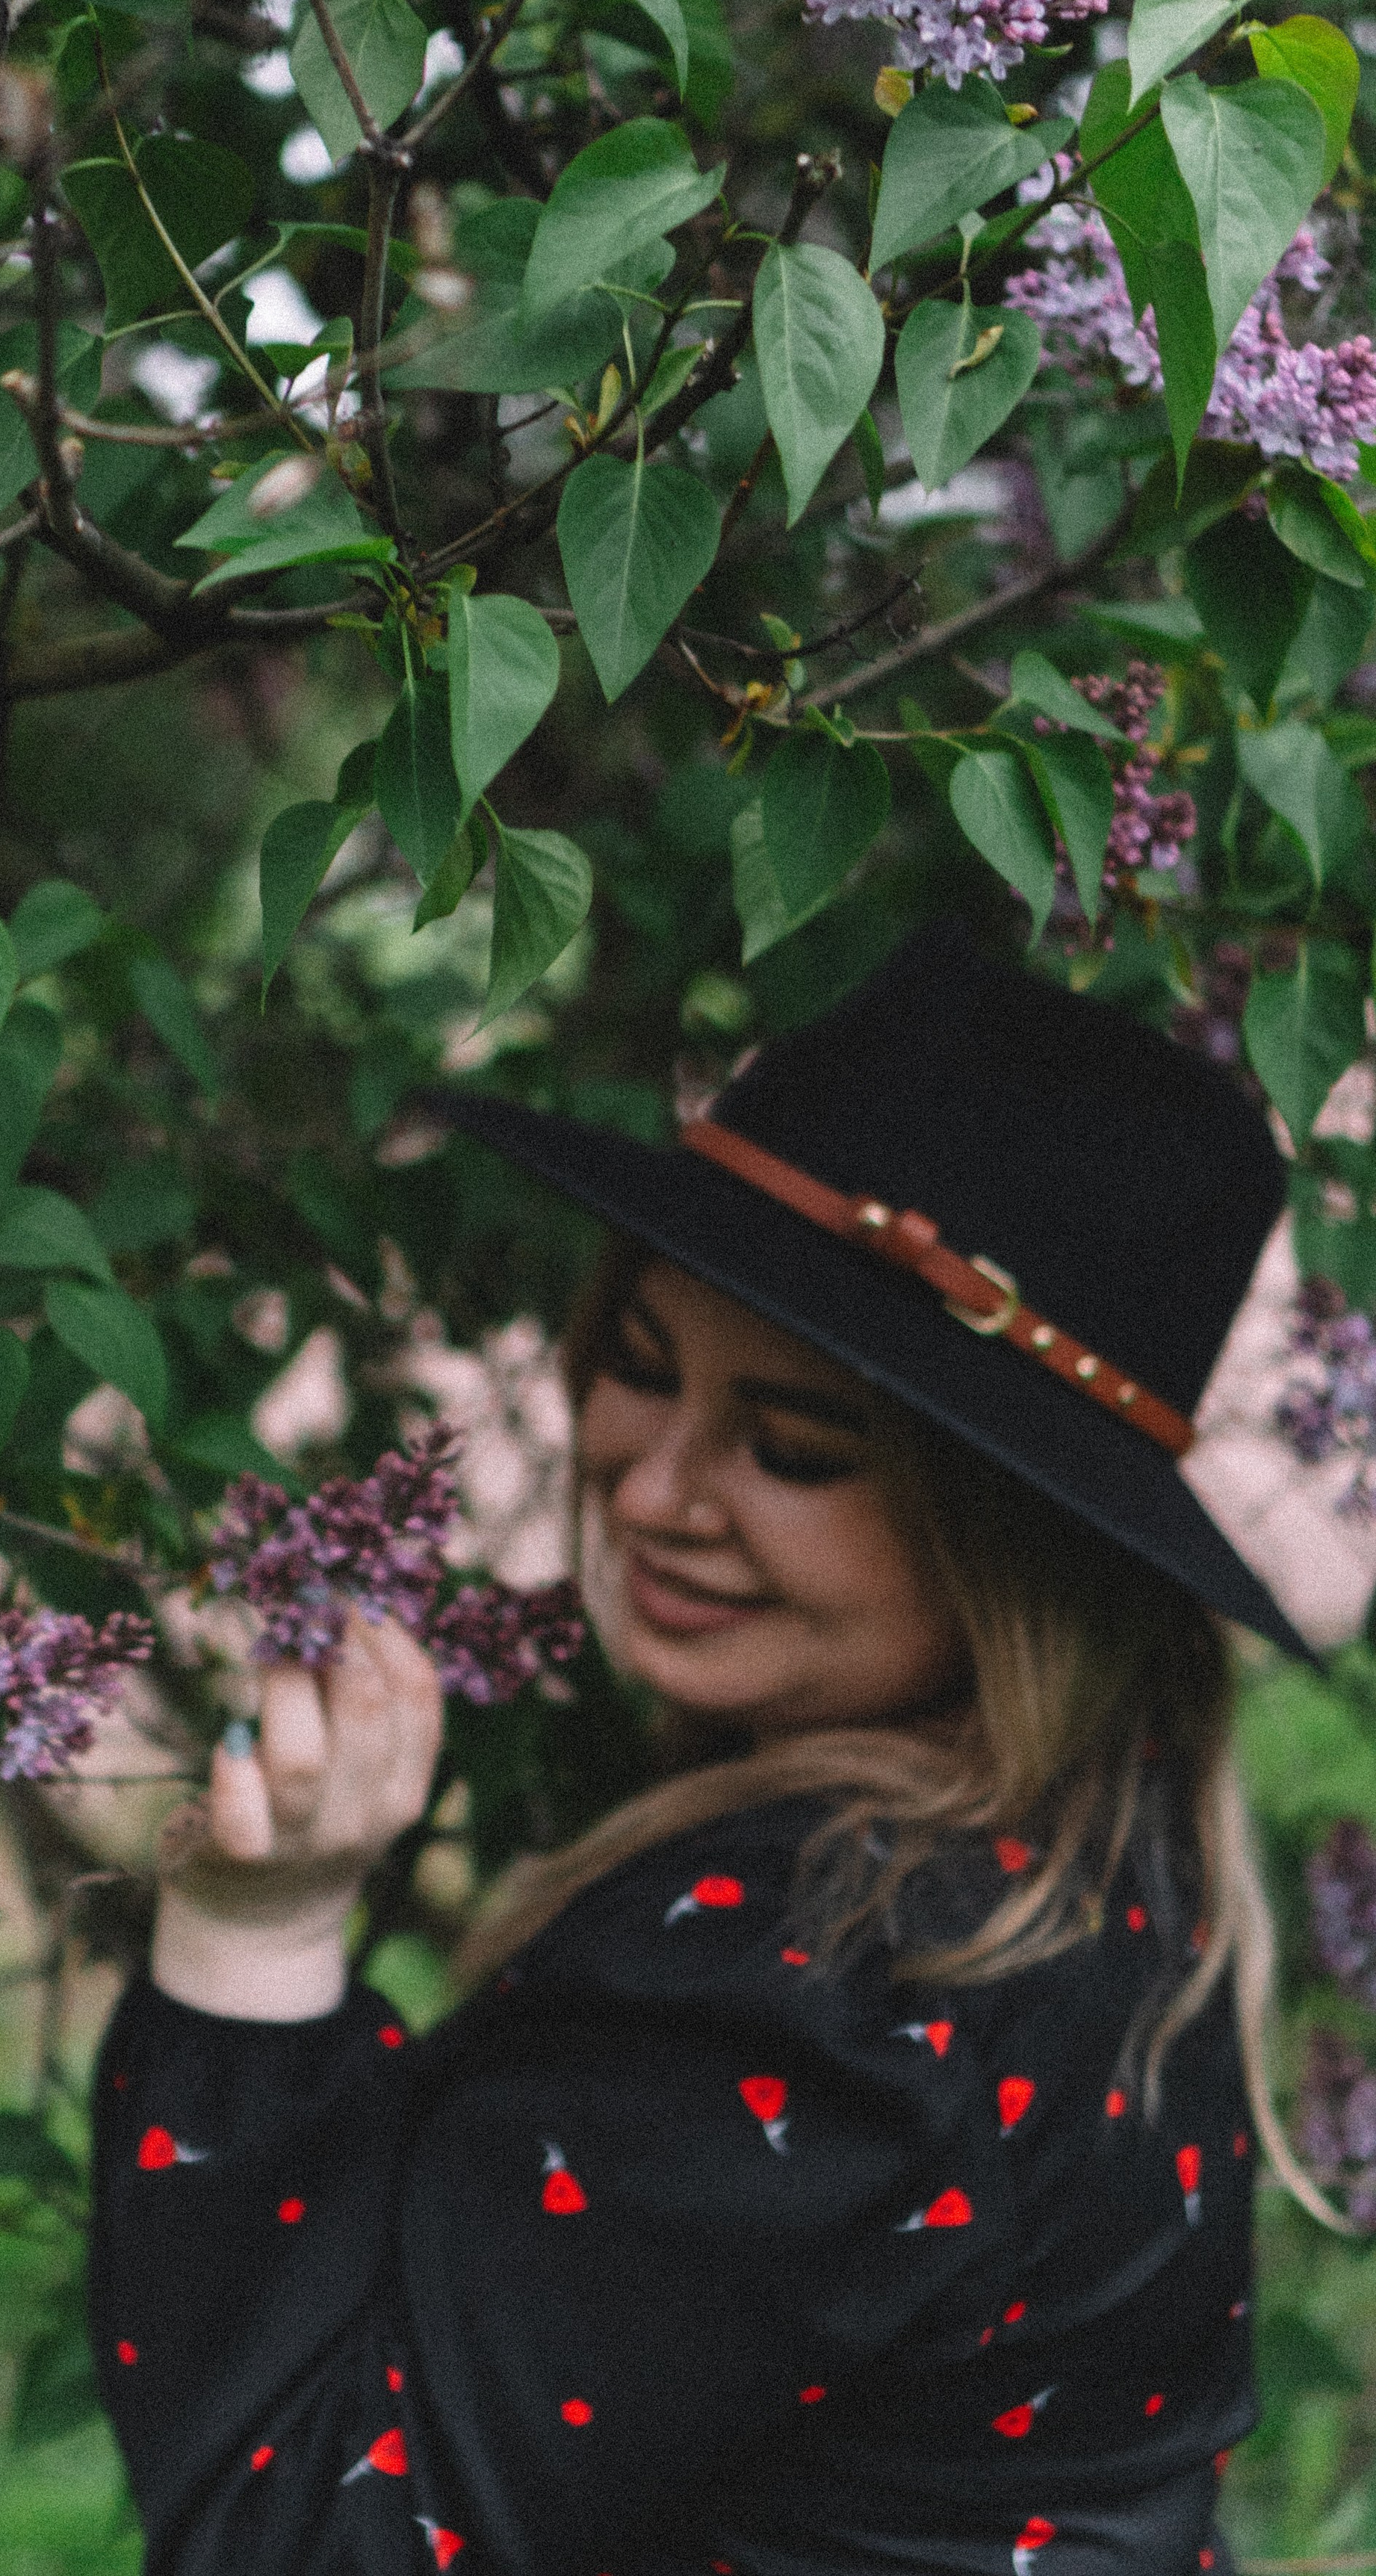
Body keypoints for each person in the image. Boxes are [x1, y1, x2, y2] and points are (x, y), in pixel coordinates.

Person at [87, 921, 1340, 2576]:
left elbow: (299, 2539)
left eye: (795, 1447)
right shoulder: (1086, 1848)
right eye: (638, 1365)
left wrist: (251, 1943)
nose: (655, 1490)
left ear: (1013, 1539)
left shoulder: (825, 1983)